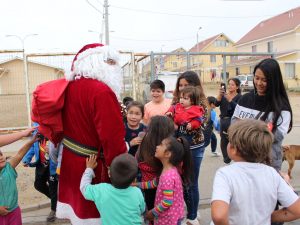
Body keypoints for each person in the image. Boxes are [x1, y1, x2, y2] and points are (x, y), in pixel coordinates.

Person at [31, 44, 128, 224]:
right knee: (96, 216)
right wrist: (121, 168)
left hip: (70, 161)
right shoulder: (102, 91)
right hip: (92, 166)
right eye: (111, 62)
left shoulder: (69, 86)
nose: (115, 67)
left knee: (79, 216)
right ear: (97, 62)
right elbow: (112, 138)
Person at [211, 119, 300, 225]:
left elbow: (219, 216)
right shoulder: (271, 173)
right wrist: (266, 218)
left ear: (235, 149)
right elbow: (296, 210)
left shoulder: (225, 174)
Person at [232, 58, 292, 172]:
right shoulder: (244, 100)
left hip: (269, 163)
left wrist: (248, 129)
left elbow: (278, 134)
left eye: (264, 80)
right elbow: (233, 123)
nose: (259, 83)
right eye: (257, 78)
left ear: (274, 80)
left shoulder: (281, 106)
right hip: (243, 160)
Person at [171, 71, 208, 225]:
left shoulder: (201, 106)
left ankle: (192, 216)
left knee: (191, 182)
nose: (182, 88)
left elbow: (193, 127)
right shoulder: (176, 104)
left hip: (193, 148)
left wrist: (176, 125)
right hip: (177, 147)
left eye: (187, 85)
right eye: (180, 85)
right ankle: (189, 210)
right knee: (178, 181)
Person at [133, 137, 192, 225]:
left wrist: (153, 212)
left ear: (168, 154)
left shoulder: (167, 177)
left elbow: (168, 201)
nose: (157, 146)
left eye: (161, 145)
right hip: (173, 216)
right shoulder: (170, 170)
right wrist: (135, 184)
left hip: (168, 219)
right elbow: (153, 184)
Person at [80, 154, 145, 225]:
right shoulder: (137, 192)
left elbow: (84, 188)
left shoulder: (101, 190)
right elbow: (142, 209)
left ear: (109, 173)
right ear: (134, 180)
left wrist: (89, 168)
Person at [137, 115, 174, 225]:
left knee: (151, 214)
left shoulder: (144, 143)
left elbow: (137, 160)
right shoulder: (168, 151)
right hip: (164, 189)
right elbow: (168, 201)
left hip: (148, 189)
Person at [0, 132, 40, 225]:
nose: (1, 158)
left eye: (1, 154)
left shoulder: (9, 168)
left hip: (14, 211)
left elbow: (19, 154)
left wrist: (31, 142)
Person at [23, 123, 58, 222]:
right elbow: (31, 147)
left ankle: (53, 209)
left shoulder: (56, 127)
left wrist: (52, 149)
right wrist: (27, 158)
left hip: (53, 166)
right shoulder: (36, 129)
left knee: (53, 188)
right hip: (41, 165)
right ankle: (57, 201)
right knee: (38, 185)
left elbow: (61, 146)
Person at [214, 77, 242, 165]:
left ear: (237, 87)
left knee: (234, 140)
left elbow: (239, 109)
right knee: (223, 141)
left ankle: (236, 159)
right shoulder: (223, 95)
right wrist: (220, 95)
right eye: (229, 84)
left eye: (232, 84)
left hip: (233, 121)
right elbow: (215, 104)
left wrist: (230, 100)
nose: (230, 86)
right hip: (223, 121)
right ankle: (226, 160)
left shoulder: (240, 97)